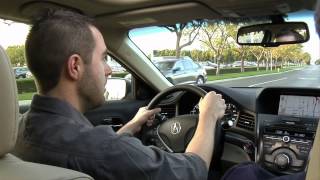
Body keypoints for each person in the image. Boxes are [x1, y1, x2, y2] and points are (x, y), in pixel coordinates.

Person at [13, 10, 226, 180]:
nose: (109, 70)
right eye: (104, 58)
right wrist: (208, 116)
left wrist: (130, 126)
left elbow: (96, 155)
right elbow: (192, 171)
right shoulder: (101, 149)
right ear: (75, 66)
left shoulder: (18, 132)